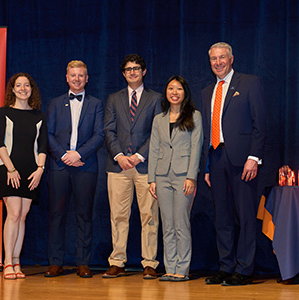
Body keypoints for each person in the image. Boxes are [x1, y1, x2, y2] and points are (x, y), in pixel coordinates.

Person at [202, 42, 266, 286]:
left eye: (222, 58)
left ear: (231, 59)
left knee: (246, 215)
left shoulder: (250, 83)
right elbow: (208, 131)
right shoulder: (207, 91)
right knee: (222, 216)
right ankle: (226, 267)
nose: (218, 62)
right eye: (213, 59)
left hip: (243, 160)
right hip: (216, 159)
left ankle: (245, 268)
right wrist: (207, 166)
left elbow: (260, 124)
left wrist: (254, 158)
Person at [103, 54, 161, 279]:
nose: (133, 72)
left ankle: (150, 263)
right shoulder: (114, 98)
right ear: (123, 73)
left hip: (145, 166)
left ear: (144, 71)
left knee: (150, 216)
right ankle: (117, 261)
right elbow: (108, 130)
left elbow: (157, 132)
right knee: (118, 216)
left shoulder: (155, 98)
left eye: (136, 68)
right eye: (128, 69)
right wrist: (119, 155)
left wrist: (138, 156)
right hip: (118, 167)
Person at [45, 60, 104, 278]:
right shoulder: (55, 103)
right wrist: (63, 155)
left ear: (87, 78)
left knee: (84, 215)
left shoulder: (96, 103)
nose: (77, 79)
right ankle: (55, 262)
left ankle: (83, 263)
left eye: (81, 75)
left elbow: (99, 134)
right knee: (56, 215)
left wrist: (79, 154)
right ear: (66, 78)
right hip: (59, 166)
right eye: (73, 75)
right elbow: (48, 134)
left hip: (85, 166)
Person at [148, 76, 203, 282]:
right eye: (170, 88)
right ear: (166, 93)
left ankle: (182, 269)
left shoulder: (194, 116)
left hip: (183, 177)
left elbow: (196, 147)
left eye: (178, 89)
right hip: (162, 176)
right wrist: (152, 179)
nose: (174, 92)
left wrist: (191, 176)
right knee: (167, 225)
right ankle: (170, 267)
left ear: (184, 93)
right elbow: (154, 149)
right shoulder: (158, 119)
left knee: (181, 223)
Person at [0, 72, 47, 280]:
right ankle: (7, 263)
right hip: (9, 171)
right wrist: (11, 169)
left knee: (22, 216)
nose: (23, 88)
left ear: (32, 89)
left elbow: (43, 146)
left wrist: (40, 170)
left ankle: (16, 261)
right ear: (13, 89)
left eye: (27, 85)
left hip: (32, 172)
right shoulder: (3, 112)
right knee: (13, 214)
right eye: (19, 85)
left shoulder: (38, 116)